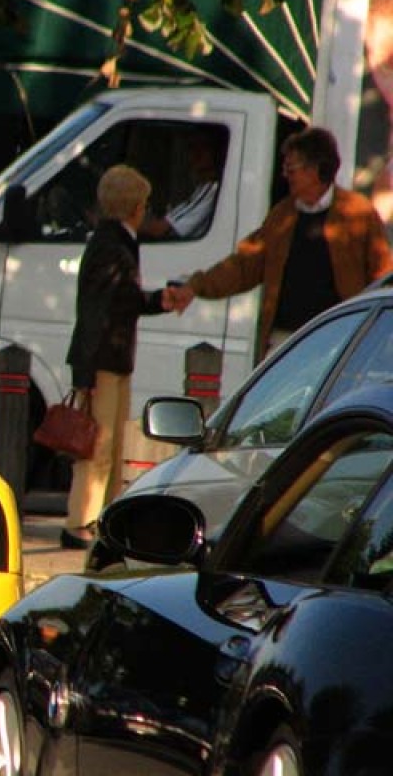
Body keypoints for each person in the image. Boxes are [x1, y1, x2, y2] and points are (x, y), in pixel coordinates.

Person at [170, 127, 393, 360]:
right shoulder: (282, 216)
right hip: (286, 341)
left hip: (340, 341)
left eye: (290, 168)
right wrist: (196, 286)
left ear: (315, 170)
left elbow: (381, 274)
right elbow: (244, 265)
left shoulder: (358, 213)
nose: (285, 175)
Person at [62, 164, 179, 550]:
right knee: (98, 446)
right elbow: (107, 305)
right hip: (104, 359)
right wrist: (87, 369)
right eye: (143, 202)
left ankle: (100, 520)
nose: (145, 209)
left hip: (108, 357)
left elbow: (112, 301)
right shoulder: (114, 244)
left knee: (107, 446)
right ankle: (82, 523)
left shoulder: (112, 240)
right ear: (134, 206)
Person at [138, 132, 222, 240]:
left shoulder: (212, 189)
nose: (195, 155)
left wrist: (128, 222)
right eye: (191, 148)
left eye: (203, 149)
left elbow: (159, 230)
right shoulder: (202, 187)